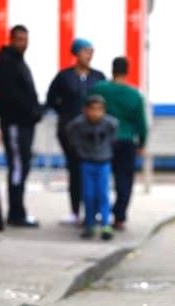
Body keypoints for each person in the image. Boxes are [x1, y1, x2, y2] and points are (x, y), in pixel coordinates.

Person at [47, 39, 106, 225]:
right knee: (75, 170)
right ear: (76, 53)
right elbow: (51, 99)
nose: (89, 55)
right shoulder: (64, 77)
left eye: (91, 51)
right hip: (70, 133)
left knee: (95, 171)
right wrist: (66, 115)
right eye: (86, 51)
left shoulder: (98, 77)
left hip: (94, 134)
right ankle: (75, 210)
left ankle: (94, 211)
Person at [89, 57, 147, 231]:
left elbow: (88, 108)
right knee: (125, 179)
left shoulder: (99, 89)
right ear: (127, 71)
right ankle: (119, 217)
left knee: (100, 178)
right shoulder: (134, 94)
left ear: (112, 69)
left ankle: (99, 213)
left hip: (102, 139)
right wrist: (141, 142)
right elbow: (141, 122)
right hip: (127, 141)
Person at [0, 24, 42, 227]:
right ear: (12, 39)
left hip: (24, 123)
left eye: (26, 40)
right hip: (15, 123)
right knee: (18, 166)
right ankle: (16, 212)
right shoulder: (7, 62)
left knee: (22, 166)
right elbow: (10, 96)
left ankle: (18, 210)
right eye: (20, 39)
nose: (24, 44)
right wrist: (30, 111)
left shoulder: (18, 62)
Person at [66, 95, 118, 240]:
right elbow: (70, 131)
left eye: (99, 110)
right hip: (87, 162)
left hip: (103, 162)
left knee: (103, 194)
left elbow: (114, 134)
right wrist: (77, 148)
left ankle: (105, 224)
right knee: (88, 195)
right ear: (85, 110)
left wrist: (108, 149)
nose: (95, 113)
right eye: (92, 110)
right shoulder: (79, 124)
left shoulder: (109, 123)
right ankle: (89, 224)